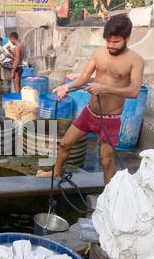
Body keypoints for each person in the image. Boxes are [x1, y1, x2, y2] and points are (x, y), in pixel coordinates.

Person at [37, 14, 144, 184]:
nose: (111, 45)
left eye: (115, 42)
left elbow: (134, 91)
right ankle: (56, 173)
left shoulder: (135, 60)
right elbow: (84, 78)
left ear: (127, 37)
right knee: (65, 144)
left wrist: (104, 88)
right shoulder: (98, 54)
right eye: (108, 41)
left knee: (106, 161)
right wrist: (67, 87)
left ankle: (108, 195)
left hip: (110, 119)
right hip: (89, 113)